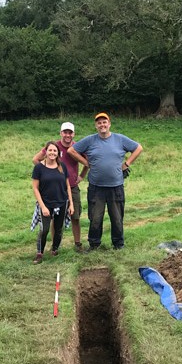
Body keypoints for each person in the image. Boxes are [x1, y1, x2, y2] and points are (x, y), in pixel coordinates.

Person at [68, 112, 143, 250]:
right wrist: (86, 162)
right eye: (99, 123)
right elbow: (71, 151)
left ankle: (118, 245)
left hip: (116, 186)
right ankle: (94, 244)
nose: (102, 125)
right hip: (96, 187)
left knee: (117, 218)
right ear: (96, 126)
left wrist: (127, 164)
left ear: (109, 124)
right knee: (95, 218)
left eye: (104, 122)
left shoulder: (119, 139)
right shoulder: (90, 140)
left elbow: (138, 148)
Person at [32, 122, 88, 252]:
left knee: (75, 216)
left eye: (70, 132)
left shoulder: (77, 147)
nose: (67, 135)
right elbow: (36, 160)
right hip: (54, 189)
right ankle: (54, 246)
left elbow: (87, 163)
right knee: (53, 218)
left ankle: (78, 244)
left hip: (71, 187)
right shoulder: (54, 147)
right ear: (61, 133)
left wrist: (81, 176)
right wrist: (46, 173)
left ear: (73, 134)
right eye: (65, 132)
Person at [31, 141, 74, 264]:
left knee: (58, 228)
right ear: (46, 152)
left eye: (55, 151)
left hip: (62, 202)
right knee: (44, 229)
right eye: (50, 150)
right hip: (46, 203)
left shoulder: (62, 167)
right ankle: (39, 253)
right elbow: (35, 188)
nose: (52, 153)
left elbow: (67, 186)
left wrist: (71, 203)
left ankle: (55, 249)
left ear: (58, 153)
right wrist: (43, 206)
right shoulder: (39, 167)